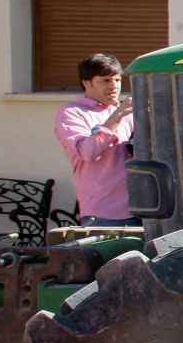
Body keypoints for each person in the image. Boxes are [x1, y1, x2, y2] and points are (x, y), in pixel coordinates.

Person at [54, 53, 139, 227]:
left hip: (142, 208)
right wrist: (116, 118)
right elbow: (87, 152)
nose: (114, 86)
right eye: (106, 81)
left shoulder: (125, 111)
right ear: (86, 83)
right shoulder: (72, 112)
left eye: (117, 80)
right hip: (103, 213)